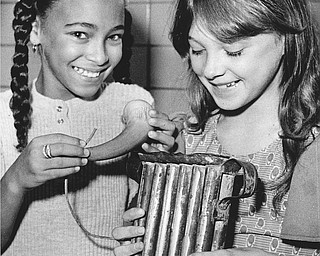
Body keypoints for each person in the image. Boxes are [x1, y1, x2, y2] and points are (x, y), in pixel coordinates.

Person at [112, 0, 320, 255]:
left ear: (286, 36)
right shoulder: (189, 141)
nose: (210, 70)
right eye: (198, 50)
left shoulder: (313, 150)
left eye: (233, 51)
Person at [0, 0, 176, 255]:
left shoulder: (130, 100)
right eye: (80, 34)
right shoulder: (3, 115)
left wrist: (169, 159)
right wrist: (16, 180)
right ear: (35, 30)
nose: (100, 57)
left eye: (114, 36)